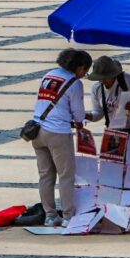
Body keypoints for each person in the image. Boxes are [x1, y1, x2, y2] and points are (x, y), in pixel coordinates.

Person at [28, 49, 93, 227]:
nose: (84, 74)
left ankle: (50, 216)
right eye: (85, 70)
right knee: (66, 175)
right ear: (80, 67)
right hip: (58, 133)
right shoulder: (74, 83)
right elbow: (78, 112)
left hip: (37, 130)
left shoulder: (48, 75)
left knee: (45, 175)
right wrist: (80, 123)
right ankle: (68, 216)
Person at [85, 56, 130, 136]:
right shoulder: (96, 88)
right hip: (115, 128)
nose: (102, 81)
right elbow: (98, 112)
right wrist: (88, 116)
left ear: (113, 75)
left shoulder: (127, 79)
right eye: (100, 78)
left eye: (105, 77)